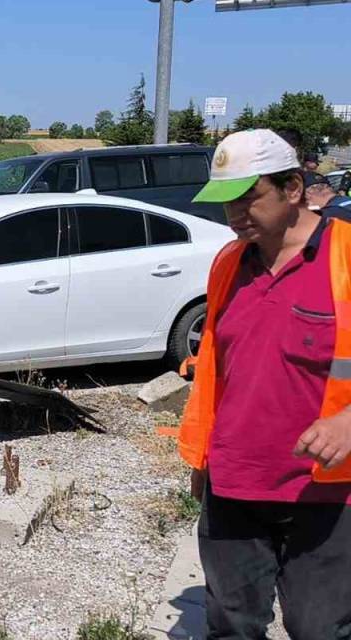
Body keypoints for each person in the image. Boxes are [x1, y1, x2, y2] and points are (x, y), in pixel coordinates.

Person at [179, 128, 351, 639]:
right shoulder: (229, 263)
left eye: (247, 198)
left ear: (293, 187)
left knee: (320, 630)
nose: (234, 215)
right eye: (224, 202)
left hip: (325, 494)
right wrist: (203, 460)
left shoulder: (345, 257)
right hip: (234, 485)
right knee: (231, 627)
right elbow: (216, 369)